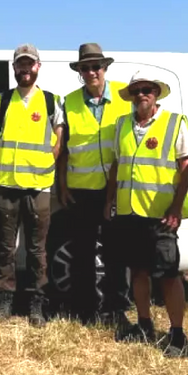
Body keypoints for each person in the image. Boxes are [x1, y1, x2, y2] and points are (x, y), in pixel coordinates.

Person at [104, 71, 188, 357]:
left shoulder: (174, 123)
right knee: (138, 271)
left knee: (168, 275)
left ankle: (177, 333)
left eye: (147, 90)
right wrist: (110, 200)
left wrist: (176, 207)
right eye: (137, 91)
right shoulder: (122, 124)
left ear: (156, 94)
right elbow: (117, 164)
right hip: (129, 211)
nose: (142, 95)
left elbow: (186, 167)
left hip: (161, 214)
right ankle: (144, 324)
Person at [0, 44, 63, 327]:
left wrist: (44, 166)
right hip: (7, 186)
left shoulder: (52, 101)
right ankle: (5, 299)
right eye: (21, 64)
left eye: (30, 64)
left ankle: (36, 302)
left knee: (37, 250)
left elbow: (59, 142)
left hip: (38, 188)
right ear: (14, 68)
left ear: (38, 67)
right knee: (5, 248)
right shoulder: (1, 100)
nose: (25, 69)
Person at [58, 43, 130, 322]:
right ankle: (84, 309)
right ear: (79, 71)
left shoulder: (125, 96)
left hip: (117, 189)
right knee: (82, 252)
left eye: (96, 67)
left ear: (105, 68)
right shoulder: (69, 102)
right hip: (81, 190)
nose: (91, 72)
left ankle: (116, 309)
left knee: (116, 253)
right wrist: (63, 186)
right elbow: (63, 148)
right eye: (85, 68)